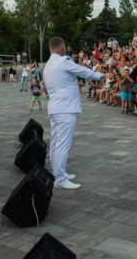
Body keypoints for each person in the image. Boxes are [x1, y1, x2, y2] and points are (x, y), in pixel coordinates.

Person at [43, 36, 105, 189]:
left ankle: (58, 172)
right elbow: (83, 71)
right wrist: (99, 75)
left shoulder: (48, 65)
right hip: (65, 109)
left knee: (56, 143)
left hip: (56, 108)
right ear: (62, 47)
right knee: (62, 144)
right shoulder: (64, 61)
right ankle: (60, 179)